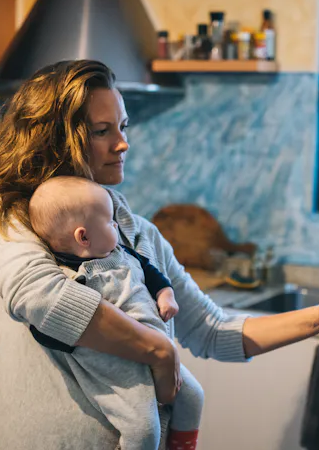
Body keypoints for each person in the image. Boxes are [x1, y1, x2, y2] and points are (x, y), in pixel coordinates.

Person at [0, 59, 319, 450]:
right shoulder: (6, 215)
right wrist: (157, 349)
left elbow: (210, 330)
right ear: (55, 140)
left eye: (123, 126)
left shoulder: (141, 236)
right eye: (102, 131)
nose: (122, 143)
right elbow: (39, 295)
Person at [28, 175, 202, 449]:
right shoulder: (71, 281)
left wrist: (165, 294)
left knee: (194, 396)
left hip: (160, 352)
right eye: (109, 222)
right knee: (144, 430)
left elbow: (152, 273)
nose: (116, 225)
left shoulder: (122, 252)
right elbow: (47, 324)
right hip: (119, 368)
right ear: (83, 236)